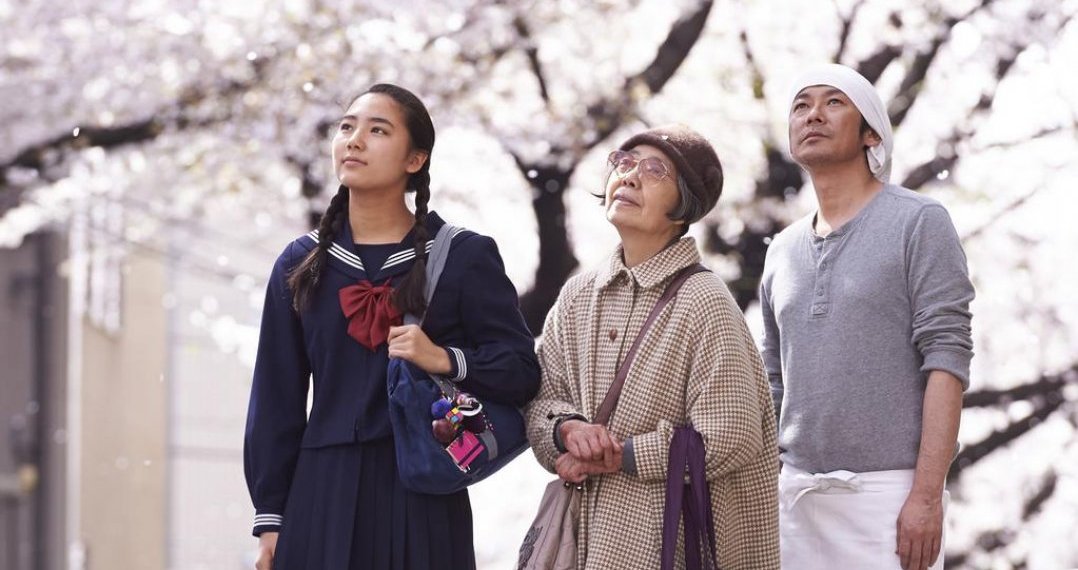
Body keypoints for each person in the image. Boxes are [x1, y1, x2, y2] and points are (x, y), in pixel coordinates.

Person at [243, 83, 540, 570]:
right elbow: (275, 398)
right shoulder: (301, 263)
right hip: (319, 493)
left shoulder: (463, 255)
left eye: (377, 130)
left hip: (423, 488)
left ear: (415, 159)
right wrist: (271, 517)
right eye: (347, 127)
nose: (354, 140)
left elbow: (521, 370)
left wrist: (444, 359)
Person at [525, 125, 780, 569]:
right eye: (622, 163)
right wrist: (567, 431)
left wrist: (620, 456)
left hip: (665, 545)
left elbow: (732, 434)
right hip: (580, 543)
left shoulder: (705, 300)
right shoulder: (577, 295)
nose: (629, 176)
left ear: (685, 203)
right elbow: (542, 398)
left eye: (654, 170)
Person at [759, 63, 975, 570]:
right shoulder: (782, 249)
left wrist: (925, 496)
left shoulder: (919, 222)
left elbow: (947, 357)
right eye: (800, 105)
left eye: (834, 103)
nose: (813, 114)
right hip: (793, 502)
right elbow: (773, 380)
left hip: (892, 498)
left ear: (871, 133)